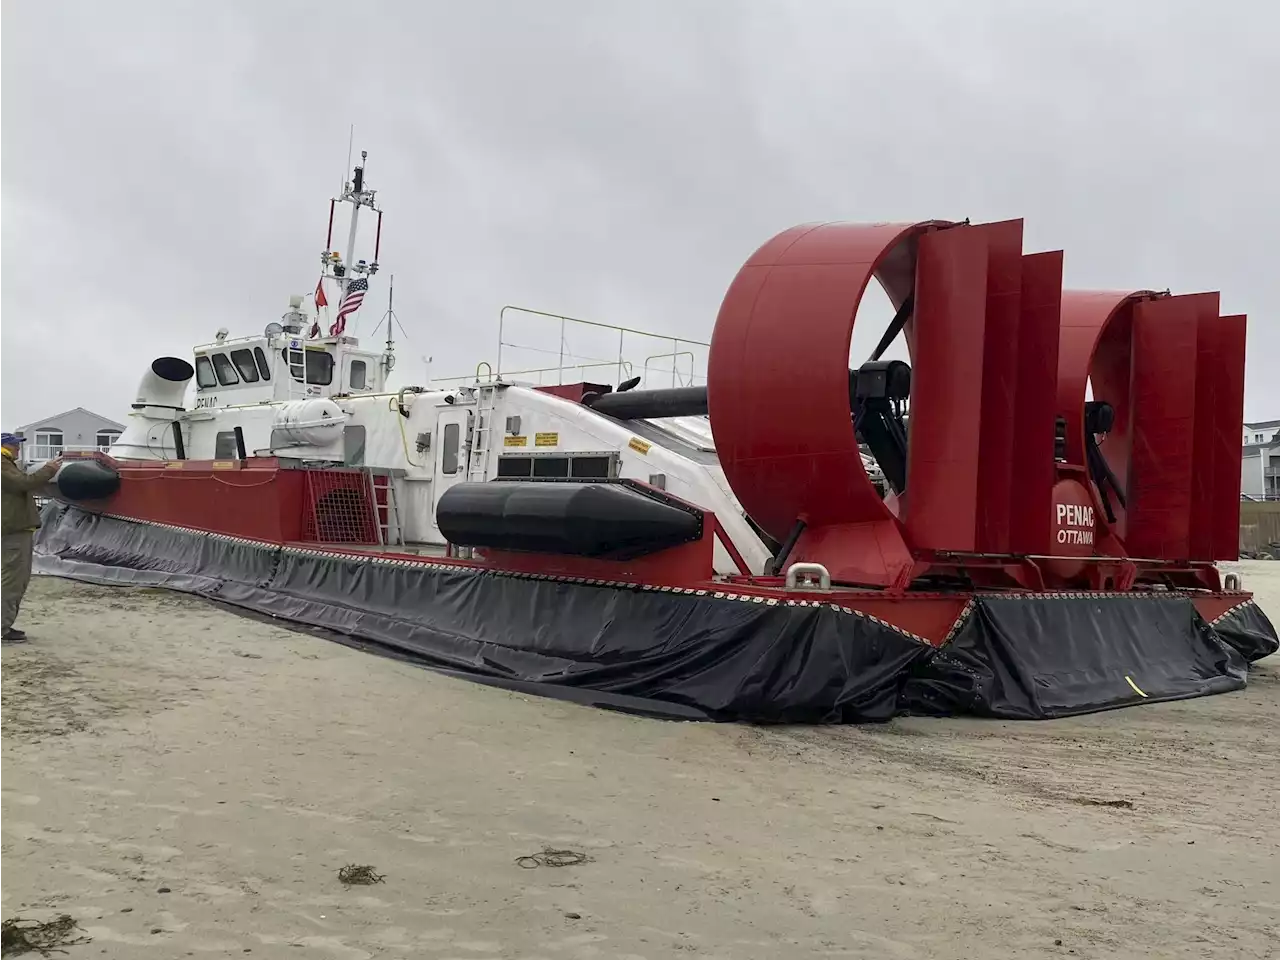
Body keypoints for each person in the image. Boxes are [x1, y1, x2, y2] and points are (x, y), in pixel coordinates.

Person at [0, 433, 61, 643]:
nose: (18, 449)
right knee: (12, 581)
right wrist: (50, 469)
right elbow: (23, 483)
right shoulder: (2, 464)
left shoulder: (6, 463)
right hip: (12, 531)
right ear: (6, 446)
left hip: (11, 529)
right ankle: (2, 628)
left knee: (12, 579)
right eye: (15, 445)